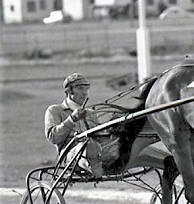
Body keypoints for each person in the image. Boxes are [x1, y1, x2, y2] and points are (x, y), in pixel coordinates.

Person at [44, 72, 173, 178]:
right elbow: (53, 137)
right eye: (80, 88)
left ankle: (169, 162)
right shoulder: (55, 110)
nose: (84, 93)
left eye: (86, 89)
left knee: (127, 143)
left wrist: (116, 127)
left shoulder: (90, 113)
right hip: (71, 156)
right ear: (68, 91)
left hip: (98, 151)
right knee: (89, 146)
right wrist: (72, 119)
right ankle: (97, 169)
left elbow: (99, 136)